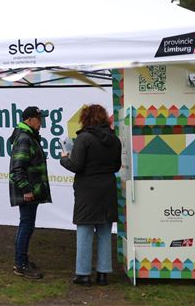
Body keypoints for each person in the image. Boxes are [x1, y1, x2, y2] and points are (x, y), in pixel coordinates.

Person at [60, 104, 121, 287]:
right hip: (108, 189)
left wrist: (64, 157)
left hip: (87, 191)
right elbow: (117, 167)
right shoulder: (115, 140)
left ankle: (83, 274)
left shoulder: (84, 138)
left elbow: (76, 166)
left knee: (85, 233)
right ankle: (103, 274)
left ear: (86, 118)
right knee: (104, 233)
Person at [9, 106, 51, 279]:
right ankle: (21, 265)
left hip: (32, 191)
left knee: (27, 225)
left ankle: (22, 260)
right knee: (26, 226)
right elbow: (17, 169)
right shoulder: (25, 138)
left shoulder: (28, 137)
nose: (41, 122)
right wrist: (26, 190)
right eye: (39, 119)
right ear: (29, 120)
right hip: (28, 192)